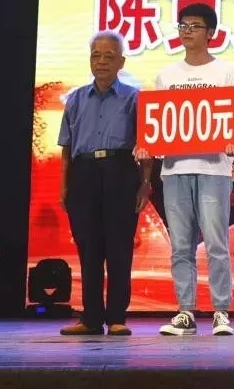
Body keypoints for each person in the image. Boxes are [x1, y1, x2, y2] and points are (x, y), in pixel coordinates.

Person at [135, 2, 234, 336]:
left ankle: (221, 311)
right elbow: (158, 125)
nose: (187, 31)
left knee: (216, 242)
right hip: (174, 169)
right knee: (181, 244)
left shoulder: (226, 72)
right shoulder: (167, 75)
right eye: (183, 25)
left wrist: (232, 142)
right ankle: (186, 311)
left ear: (211, 33)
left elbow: (232, 122)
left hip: (213, 169)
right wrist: (146, 146)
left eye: (194, 26)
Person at [58, 30, 151, 336]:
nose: (101, 62)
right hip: (83, 173)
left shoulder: (134, 98)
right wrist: (64, 186)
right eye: (96, 56)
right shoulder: (75, 99)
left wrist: (145, 182)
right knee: (89, 248)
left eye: (109, 56)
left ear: (121, 61)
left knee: (119, 247)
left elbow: (146, 145)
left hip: (120, 171)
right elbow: (67, 148)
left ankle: (116, 318)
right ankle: (90, 318)